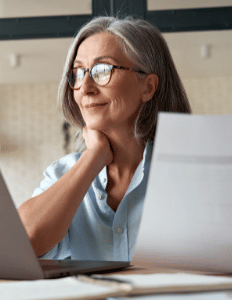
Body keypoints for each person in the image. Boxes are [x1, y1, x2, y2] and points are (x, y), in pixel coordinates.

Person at [17, 16, 191, 261]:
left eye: (103, 70)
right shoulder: (63, 174)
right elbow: (20, 245)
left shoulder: (190, 172)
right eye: (78, 73)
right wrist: (94, 157)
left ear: (148, 87)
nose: (85, 87)